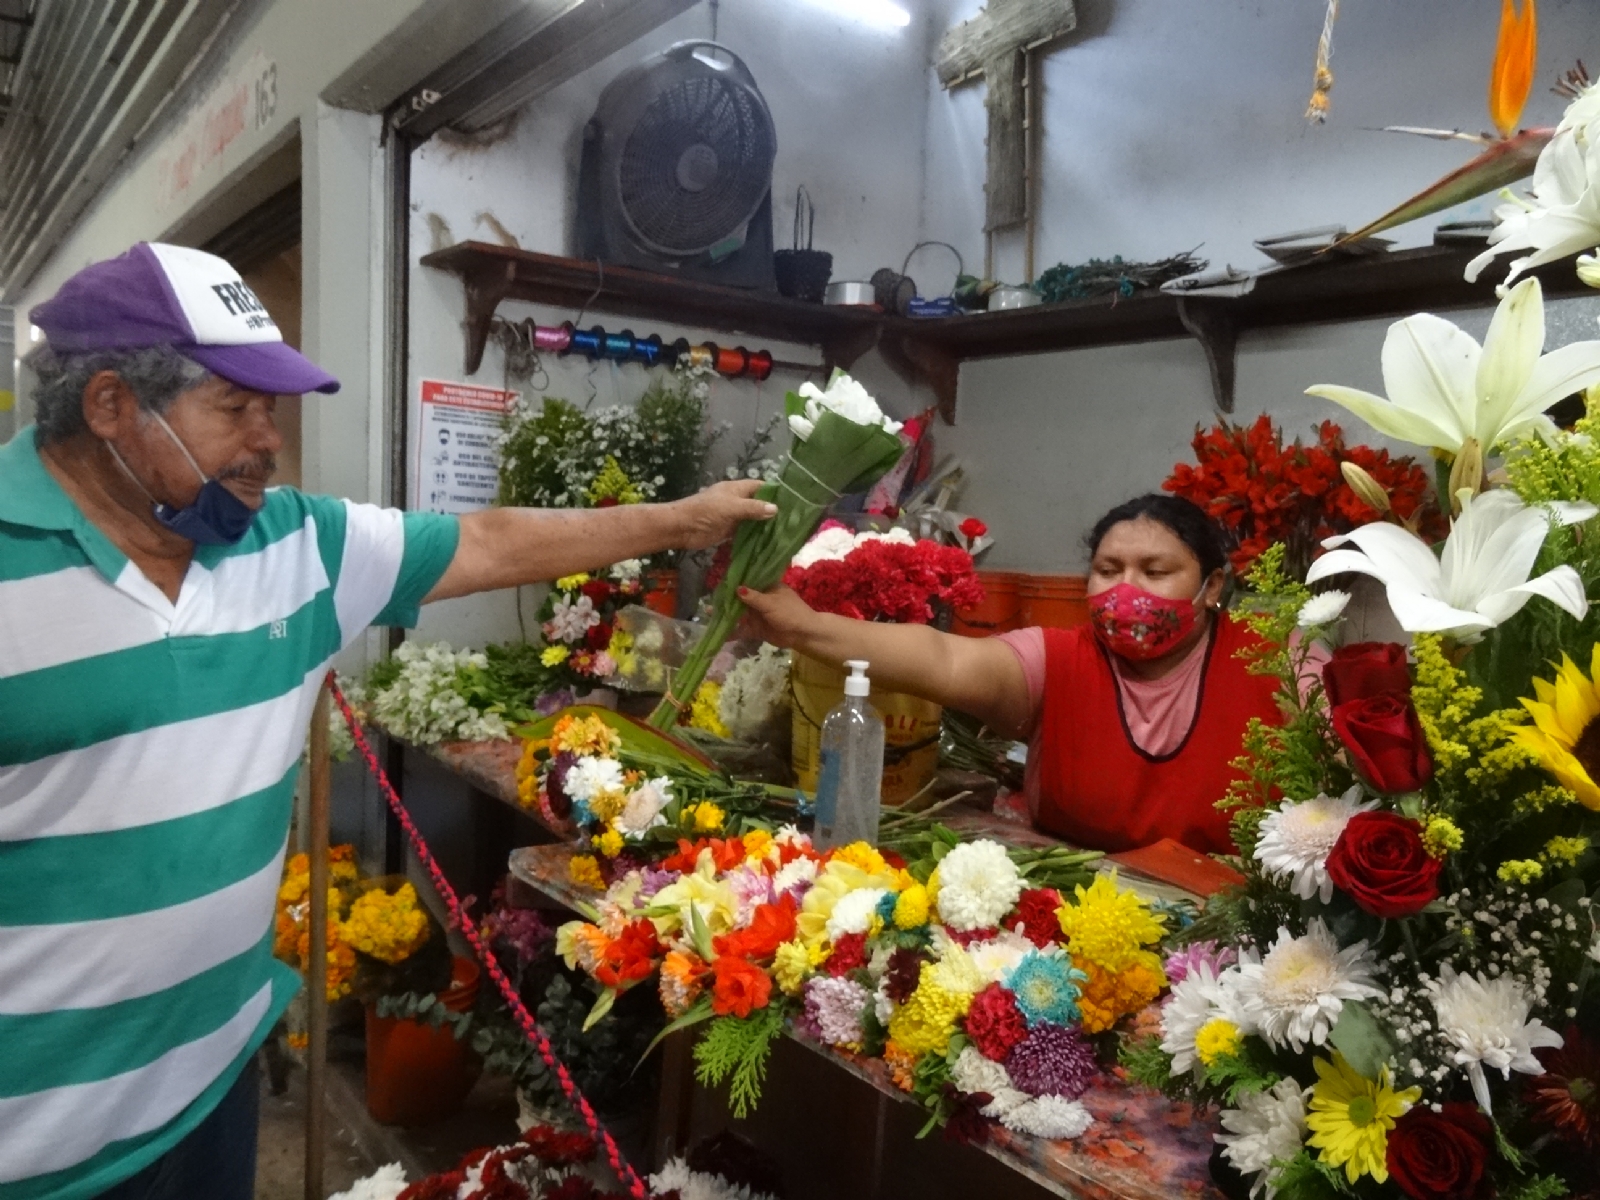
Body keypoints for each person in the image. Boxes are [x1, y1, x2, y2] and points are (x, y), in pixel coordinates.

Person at [0, 242, 774, 1200]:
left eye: (271, 411)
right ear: (111, 404)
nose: (267, 440)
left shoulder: (296, 544)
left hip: (209, 1094)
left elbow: (487, 543)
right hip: (32, 1151)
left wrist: (680, 521)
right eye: (234, 409)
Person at [741, 493, 1282, 857]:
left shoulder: (1278, 664)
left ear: (1211, 587)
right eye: (1108, 571)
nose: (1126, 590)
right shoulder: (1057, 660)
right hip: (1075, 909)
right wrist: (803, 628)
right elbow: (942, 659)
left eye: (1156, 572)